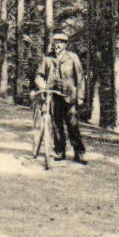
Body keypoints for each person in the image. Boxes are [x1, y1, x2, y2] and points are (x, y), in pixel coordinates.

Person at [35, 30, 86, 163]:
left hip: (69, 97)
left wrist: (80, 97)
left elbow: (80, 78)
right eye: (56, 42)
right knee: (56, 125)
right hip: (53, 97)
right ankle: (59, 151)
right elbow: (39, 75)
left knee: (72, 125)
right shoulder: (47, 59)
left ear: (65, 45)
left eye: (61, 43)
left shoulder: (72, 57)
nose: (58, 45)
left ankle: (79, 152)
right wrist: (42, 85)